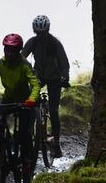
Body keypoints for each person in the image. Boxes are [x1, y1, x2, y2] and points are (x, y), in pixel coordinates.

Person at [0, 33, 41, 181]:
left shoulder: (24, 65)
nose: (9, 53)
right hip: (9, 98)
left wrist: (32, 99)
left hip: (24, 101)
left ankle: (26, 160)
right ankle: (1, 149)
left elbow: (35, 84)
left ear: (19, 51)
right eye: (7, 50)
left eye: (13, 50)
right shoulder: (1, 63)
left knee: (24, 133)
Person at [22, 14, 71, 158]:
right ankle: (29, 134)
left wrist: (65, 77)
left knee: (54, 110)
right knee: (30, 104)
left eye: (43, 33)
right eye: (38, 33)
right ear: (35, 31)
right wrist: (25, 70)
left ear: (47, 30)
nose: (41, 36)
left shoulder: (55, 43)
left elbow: (64, 62)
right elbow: (22, 57)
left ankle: (56, 141)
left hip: (55, 78)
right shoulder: (32, 42)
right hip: (39, 76)